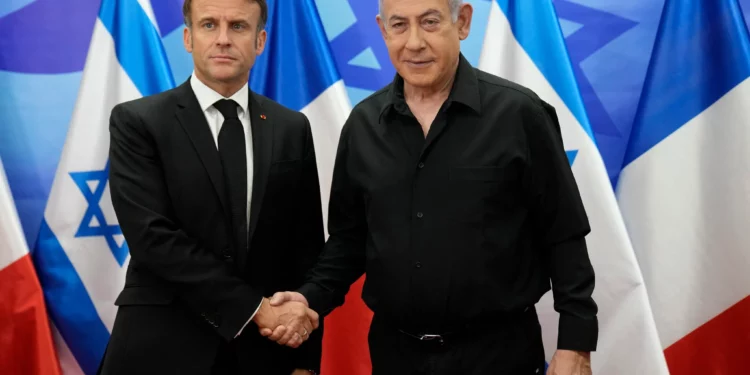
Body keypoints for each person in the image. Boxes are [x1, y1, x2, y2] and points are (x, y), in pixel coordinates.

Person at [264, 0, 598, 374]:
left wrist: (576, 344)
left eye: (430, 22)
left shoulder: (521, 115)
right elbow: (348, 241)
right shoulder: (362, 126)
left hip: (499, 355)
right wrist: (309, 300)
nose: (414, 42)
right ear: (382, 30)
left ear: (463, 22)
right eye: (399, 25)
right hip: (395, 355)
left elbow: (564, 236)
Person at [98, 0, 324, 374]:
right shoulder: (138, 122)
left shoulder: (291, 128)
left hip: (264, 354)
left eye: (237, 26)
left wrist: (305, 361)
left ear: (260, 40)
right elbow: (153, 239)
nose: (222, 39)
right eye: (208, 25)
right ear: (188, 38)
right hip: (159, 349)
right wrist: (256, 309)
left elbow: (305, 249)